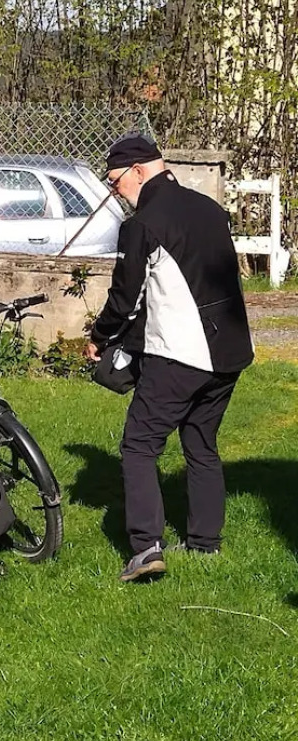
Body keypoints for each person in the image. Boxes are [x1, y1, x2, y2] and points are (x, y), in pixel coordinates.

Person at [85, 132, 252, 582]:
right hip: (230, 351)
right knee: (201, 444)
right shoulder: (210, 210)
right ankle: (205, 542)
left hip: (181, 351)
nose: (114, 192)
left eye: (114, 182)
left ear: (139, 170)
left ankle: (145, 548)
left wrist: (100, 337)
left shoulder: (143, 223)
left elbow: (126, 297)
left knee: (139, 446)